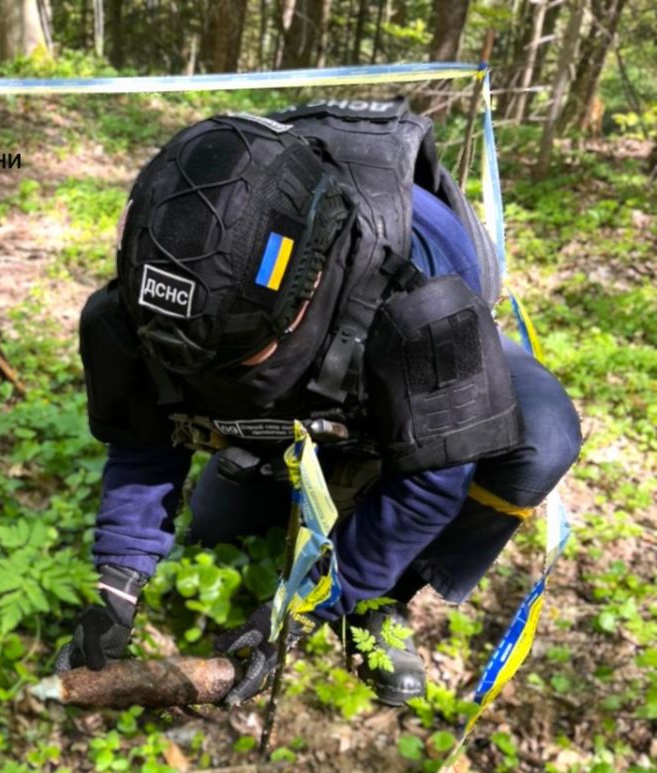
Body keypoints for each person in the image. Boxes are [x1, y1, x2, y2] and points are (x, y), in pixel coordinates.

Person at [55, 98, 581, 707]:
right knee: (220, 525)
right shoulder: (151, 301)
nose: (192, 373)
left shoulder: (423, 306)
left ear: (301, 296)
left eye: (225, 360)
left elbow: (438, 477)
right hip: (304, 382)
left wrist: (313, 604)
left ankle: (384, 598)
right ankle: (299, 491)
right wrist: (116, 586)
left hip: (415, 360)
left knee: (542, 438)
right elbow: (142, 443)